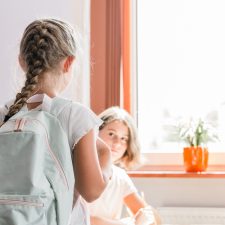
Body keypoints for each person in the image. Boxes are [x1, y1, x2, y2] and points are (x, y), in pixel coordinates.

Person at [0, 18, 112, 224]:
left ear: (22, 62)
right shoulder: (74, 115)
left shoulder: (4, 114)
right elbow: (92, 191)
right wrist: (106, 157)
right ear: (69, 62)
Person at [88, 106, 161, 225]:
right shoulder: (82, 168)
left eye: (123, 138)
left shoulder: (120, 177)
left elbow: (150, 216)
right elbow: (81, 219)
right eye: (111, 134)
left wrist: (143, 218)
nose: (117, 143)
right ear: (96, 132)